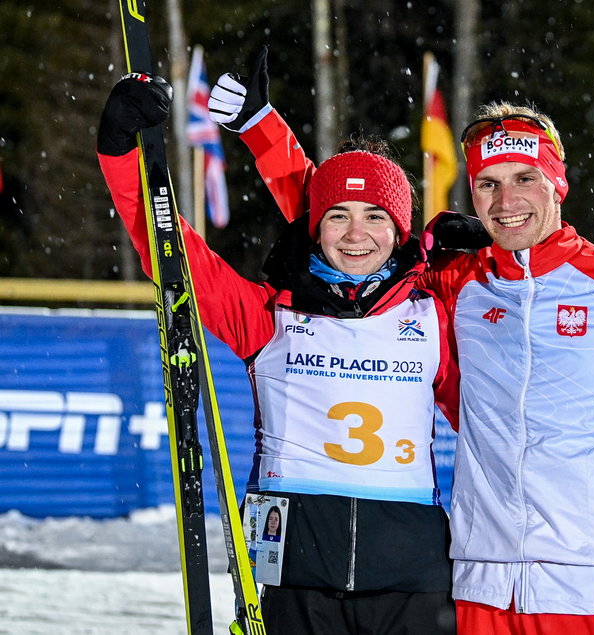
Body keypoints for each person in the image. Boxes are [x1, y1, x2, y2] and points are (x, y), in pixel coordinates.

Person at [209, 63, 594, 631]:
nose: (506, 200)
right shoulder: (454, 283)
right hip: (481, 578)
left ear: (558, 183)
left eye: (525, 178)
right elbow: (345, 214)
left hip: (593, 577)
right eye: (488, 184)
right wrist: (262, 129)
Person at [96, 73, 458, 635]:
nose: (355, 233)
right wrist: (120, 151)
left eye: (376, 217)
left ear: (400, 229)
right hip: (294, 568)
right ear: (315, 228)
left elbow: (507, 405)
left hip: (412, 573)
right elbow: (168, 248)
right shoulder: (270, 316)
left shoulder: (434, 313)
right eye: (338, 215)